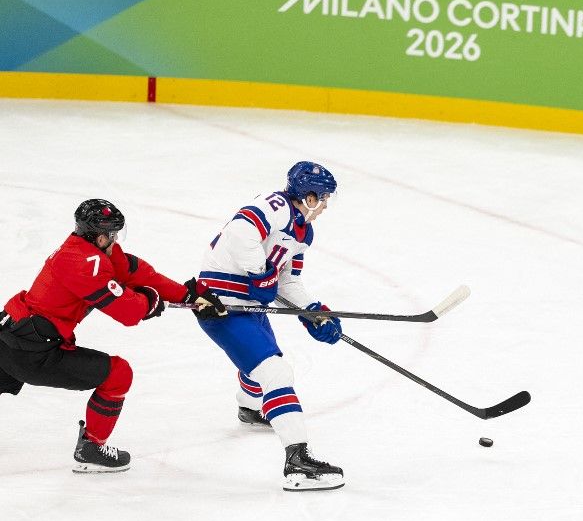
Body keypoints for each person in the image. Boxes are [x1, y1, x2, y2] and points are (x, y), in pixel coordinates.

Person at [0, 199, 226, 472]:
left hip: (9, 335)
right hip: (32, 353)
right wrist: (152, 301)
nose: (116, 239)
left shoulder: (83, 249)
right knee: (118, 374)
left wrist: (186, 294)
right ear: (99, 236)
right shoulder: (86, 264)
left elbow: (136, 272)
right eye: (113, 234)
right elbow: (129, 312)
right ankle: (92, 448)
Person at [194, 161, 346, 492]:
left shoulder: (304, 230)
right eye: (323, 198)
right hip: (222, 305)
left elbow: (287, 281)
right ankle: (298, 463)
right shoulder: (275, 205)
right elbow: (239, 233)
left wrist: (312, 311)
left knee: (262, 363)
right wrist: (261, 273)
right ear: (308, 196)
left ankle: (250, 407)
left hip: (249, 305)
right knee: (275, 372)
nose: (325, 206)